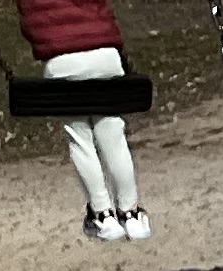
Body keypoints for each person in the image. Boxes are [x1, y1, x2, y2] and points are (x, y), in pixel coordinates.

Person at [18, 0, 146, 240]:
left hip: (62, 59)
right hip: (104, 53)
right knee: (114, 138)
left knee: (80, 140)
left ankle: (103, 215)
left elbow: (28, 25)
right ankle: (131, 214)